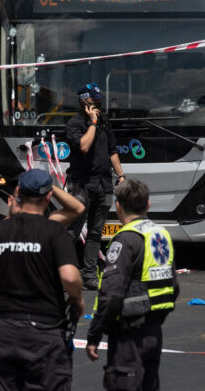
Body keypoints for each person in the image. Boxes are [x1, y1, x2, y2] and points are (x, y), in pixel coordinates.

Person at [0, 169, 84, 391]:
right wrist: (76, 297)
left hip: (5, 329)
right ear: (47, 197)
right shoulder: (53, 230)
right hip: (44, 329)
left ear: (19, 194)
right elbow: (70, 278)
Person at [86, 179, 179, 391]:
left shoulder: (125, 240)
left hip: (128, 334)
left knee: (123, 383)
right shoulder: (160, 234)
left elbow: (112, 294)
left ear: (117, 206)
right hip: (154, 330)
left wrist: (94, 336)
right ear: (148, 205)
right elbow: (173, 285)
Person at [66, 82, 126, 290]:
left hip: (103, 184)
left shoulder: (104, 122)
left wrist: (121, 176)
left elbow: (112, 151)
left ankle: (90, 274)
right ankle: (63, 272)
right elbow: (84, 146)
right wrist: (92, 123)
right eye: (94, 100)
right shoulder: (74, 124)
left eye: (100, 100)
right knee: (73, 231)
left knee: (95, 232)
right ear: (84, 102)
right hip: (82, 185)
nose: (99, 103)